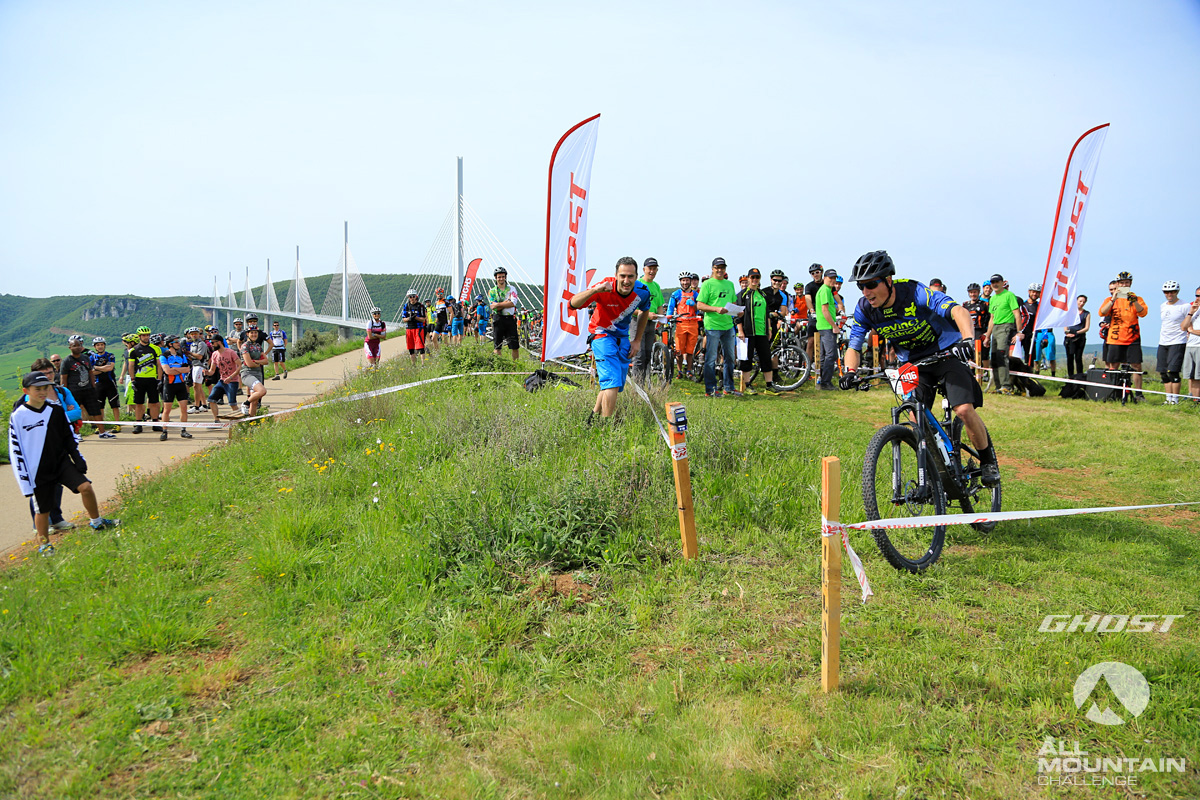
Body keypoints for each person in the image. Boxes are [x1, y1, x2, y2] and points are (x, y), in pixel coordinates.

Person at [840, 250, 1000, 486]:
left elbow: (958, 310)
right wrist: (850, 372)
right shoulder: (865, 308)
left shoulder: (914, 292)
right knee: (915, 418)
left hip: (946, 353)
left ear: (888, 280)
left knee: (964, 409)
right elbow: (854, 345)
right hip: (913, 364)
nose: (866, 292)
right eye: (861, 286)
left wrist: (967, 340)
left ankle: (988, 461)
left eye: (871, 284)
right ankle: (939, 473)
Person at [9, 372, 119, 556]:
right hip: (37, 469)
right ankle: (45, 545)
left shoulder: (55, 409)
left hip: (61, 462)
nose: (43, 392)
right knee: (43, 509)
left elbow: (68, 436)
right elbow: (15, 450)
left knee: (86, 487)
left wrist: (77, 457)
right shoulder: (18, 416)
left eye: (46, 388)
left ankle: (97, 522)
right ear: (26, 391)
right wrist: (24, 480)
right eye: (38, 389)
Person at [567, 257, 651, 419]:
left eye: (630, 276)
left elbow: (644, 311)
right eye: (622, 276)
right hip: (601, 334)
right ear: (616, 275)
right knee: (612, 382)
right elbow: (572, 304)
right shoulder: (605, 287)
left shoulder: (642, 292)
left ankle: (593, 417)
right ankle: (607, 427)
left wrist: (637, 340)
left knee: (615, 385)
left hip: (622, 338)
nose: (626, 281)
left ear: (636, 276)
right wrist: (595, 290)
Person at [696, 257, 741, 398]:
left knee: (730, 358)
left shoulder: (729, 284)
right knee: (711, 359)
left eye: (722, 267)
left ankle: (729, 387)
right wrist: (715, 309)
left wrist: (738, 311)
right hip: (713, 326)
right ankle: (710, 389)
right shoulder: (707, 284)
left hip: (728, 325)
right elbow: (699, 305)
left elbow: (733, 303)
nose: (720, 270)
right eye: (717, 267)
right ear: (713, 268)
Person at [1098, 270, 1149, 394]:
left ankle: (1138, 393)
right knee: (1113, 365)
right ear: (1118, 284)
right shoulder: (1110, 299)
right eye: (1122, 283)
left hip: (1132, 337)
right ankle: (1112, 392)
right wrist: (1113, 300)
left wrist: (1134, 301)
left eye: (1126, 283)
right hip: (1115, 337)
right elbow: (1102, 312)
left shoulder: (1137, 298)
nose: (1124, 285)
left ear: (1130, 284)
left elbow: (1143, 313)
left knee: (1136, 366)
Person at [735, 269, 779, 394]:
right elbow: (737, 314)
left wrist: (769, 328)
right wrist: (740, 330)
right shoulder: (742, 294)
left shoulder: (763, 295)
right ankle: (747, 384)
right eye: (752, 277)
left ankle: (769, 385)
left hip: (762, 332)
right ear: (748, 278)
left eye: (757, 277)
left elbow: (767, 314)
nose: (755, 280)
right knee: (747, 359)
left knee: (766, 357)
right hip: (748, 332)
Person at [982, 274, 1020, 394]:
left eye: (997, 282)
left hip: (1006, 326)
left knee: (1002, 355)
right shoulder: (992, 298)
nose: (995, 284)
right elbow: (992, 318)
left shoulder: (1009, 295)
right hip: (995, 329)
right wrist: (987, 336)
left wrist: (1019, 332)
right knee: (994, 357)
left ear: (1002, 282)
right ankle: (998, 386)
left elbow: (1017, 314)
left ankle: (1006, 386)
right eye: (993, 282)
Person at [61, 335, 105, 436]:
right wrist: (64, 392)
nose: (77, 347)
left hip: (88, 389)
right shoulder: (67, 361)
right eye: (74, 345)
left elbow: (90, 372)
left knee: (96, 411)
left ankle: (102, 432)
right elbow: (64, 378)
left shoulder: (85, 357)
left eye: (79, 345)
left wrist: (93, 386)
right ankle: (77, 433)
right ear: (70, 348)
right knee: (76, 412)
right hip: (74, 390)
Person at [1157, 281, 1191, 405]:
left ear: (1177, 292)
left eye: (1172, 291)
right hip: (1163, 341)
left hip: (1178, 341)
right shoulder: (1163, 306)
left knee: (1173, 371)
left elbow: (1189, 321)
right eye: (1166, 292)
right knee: (1163, 372)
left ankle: (1175, 400)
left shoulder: (1184, 305)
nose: (1169, 294)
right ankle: (1168, 398)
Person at [632, 257, 665, 379]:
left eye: (655, 269)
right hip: (638, 321)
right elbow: (630, 307)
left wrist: (661, 317)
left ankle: (645, 383)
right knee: (639, 355)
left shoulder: (656, 286)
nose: (652, 271)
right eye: (650, 269)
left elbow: (660, 305)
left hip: (652, 324)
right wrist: (646, 313)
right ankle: (637, 387)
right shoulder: (637, 284)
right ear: (644, 269)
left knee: (648, 355)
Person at [127, 325, 162, 434]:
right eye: (143, 335)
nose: (146, 337)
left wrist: (159, 379)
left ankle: (155, 423)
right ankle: (138, 424)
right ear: (139, 336)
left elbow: (159, 365)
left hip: (152, 379)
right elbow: (131, 366)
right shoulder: (134, 350)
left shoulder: (155, 348)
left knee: (154, 402)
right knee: (139, 403)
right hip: (139, 379)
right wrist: (132, 380)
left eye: (147, 335)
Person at [158, 335, 193, 440]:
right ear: (170, 344)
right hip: (169, 385)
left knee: (183, 408)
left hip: (181, 384)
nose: (178, 343)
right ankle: (164, 431)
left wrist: (174, 369)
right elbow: (167, 371)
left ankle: (184, 430)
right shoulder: (164, 356)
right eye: (176, 342)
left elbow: (187, 369)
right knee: (167, 409)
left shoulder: (181, 355)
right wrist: (178, 369)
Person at [666, 271, 700, 377]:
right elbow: (671, 307)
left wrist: (694, 304)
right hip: (680, 323)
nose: (685, 282)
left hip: (693, 323)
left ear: (690, 281)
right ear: (680, 282)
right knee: (679, 349)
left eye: (687, 280)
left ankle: (689, 370)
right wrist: (668, 316)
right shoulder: (676, 294)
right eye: (683, 280)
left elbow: (699, 308)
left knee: (690, 350)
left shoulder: (695, 294)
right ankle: (680, 371)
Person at [813, 268, 840, 390]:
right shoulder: (825, 290)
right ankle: (826, 382)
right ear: (825, 278)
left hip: (824, 326)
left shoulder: (827, 290)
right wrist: (834, 326)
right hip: (827, 326)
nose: (833, 281)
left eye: (834, 278)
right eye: (830, 278)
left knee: (824, 355)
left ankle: (822, 380)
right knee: (831, 354)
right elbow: (824, 310)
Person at [89, 336, 121, 438]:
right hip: (98, 384)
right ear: (95, 347)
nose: (100, 346)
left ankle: (117, 424)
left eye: (102, 344)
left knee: (114, 404)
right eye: (98, 345)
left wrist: (97, 368)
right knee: (100, 406)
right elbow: (91, 372)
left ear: (104, 345)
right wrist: (103, 368)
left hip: (110, 383)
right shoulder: (91, 358)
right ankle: (100, 426)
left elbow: (110, 368)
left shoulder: (110, 355)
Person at [205, 334, 240, 420]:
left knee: (232, 404)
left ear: (219, 342)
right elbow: (212, 370)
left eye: (213, 342)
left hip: (232, 381)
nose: (212, 345)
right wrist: (207, 373)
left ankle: (241, 422)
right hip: (222, 380)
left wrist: (231, 377)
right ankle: (216, 420)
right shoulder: (214, 354)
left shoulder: (231, 352)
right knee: (211, 400)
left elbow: (239, 365)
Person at [488, 268, 521, 360]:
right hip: (498, 318)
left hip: (510, 319)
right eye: (499, 277)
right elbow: (493, 307)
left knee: (514, 345)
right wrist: (506, 302)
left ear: (505, 277)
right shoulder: (492, 291)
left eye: (503, 277)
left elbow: (513, 303)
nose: (501, 279)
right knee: (497, 346)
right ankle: (499, 365)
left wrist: (498, 304)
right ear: (496, 278)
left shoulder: (512, 289)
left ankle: (516, 365)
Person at [962, 283, 990, 371]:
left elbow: (990, 319)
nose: (973, 294)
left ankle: (985, 372)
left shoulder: (984, 304)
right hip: (969, 331)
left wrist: (987, 333)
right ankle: (972, 371)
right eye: (971, 292)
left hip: (980, 331)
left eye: (975, 292)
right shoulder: (965, 305)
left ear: (978, 292)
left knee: (983, 353)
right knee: (970, 352)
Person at [1180, 286, 1200, 403]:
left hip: (1199, 346)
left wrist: (1192, 331)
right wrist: (1191, 313)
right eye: (1197, 296)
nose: (1198, 298)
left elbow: (1189, 329)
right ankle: (1192, 397)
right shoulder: (1193, 308)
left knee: (1198, 376)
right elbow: (1183, 327)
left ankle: (1196, 401)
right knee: (1190, 375)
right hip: (1190, 345)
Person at [1062, 295, 1090, 376]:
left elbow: (1087, 327)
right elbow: (1065, 324)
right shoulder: (1069, 312)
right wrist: (1067, 333)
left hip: (1080, 337)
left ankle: (1079, 376)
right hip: (1069, 338)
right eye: (1080, 301)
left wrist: (1077, 333)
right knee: (1069, 358)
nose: (1081, 303)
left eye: (1083, 302)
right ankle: (1070, 376)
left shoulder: (1086, 314)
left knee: (1078, 358)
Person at [803, 264, 823, 364]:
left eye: (817, 272)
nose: (815, 275)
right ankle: (807, 366)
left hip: (825, 314)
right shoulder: (809, 286)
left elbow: (835, 299)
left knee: (825, 342)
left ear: (821, 272)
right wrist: (811, 310)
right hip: (814, 315)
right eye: (812, 273)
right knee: (811, 341)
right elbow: (808, 299)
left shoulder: (827, 285)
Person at [401, 290, 427, 364]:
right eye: (410, 297)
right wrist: (409, 318)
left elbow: (423, 319)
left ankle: (423, 364)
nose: (412, 298)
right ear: (408, 297)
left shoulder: (421, 306)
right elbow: (404, 319)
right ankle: (413, 364)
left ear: (416, 296)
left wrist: (416, 318)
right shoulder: (406, 306)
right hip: (409, 328)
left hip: (418, 328)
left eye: (413, 296)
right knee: (411, 348)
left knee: (421, 347)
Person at [1097, 279, 1117, 366]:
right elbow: (1102, 314)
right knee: (1107, 359)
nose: (1112, 291)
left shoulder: (1124, 300)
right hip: (1108, 335)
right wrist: (1102, 324)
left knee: (1119, 360)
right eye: (1111, 289)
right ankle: (1108, 377)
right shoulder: (1107, 300)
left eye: (1114, 289)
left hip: (1119, 333)